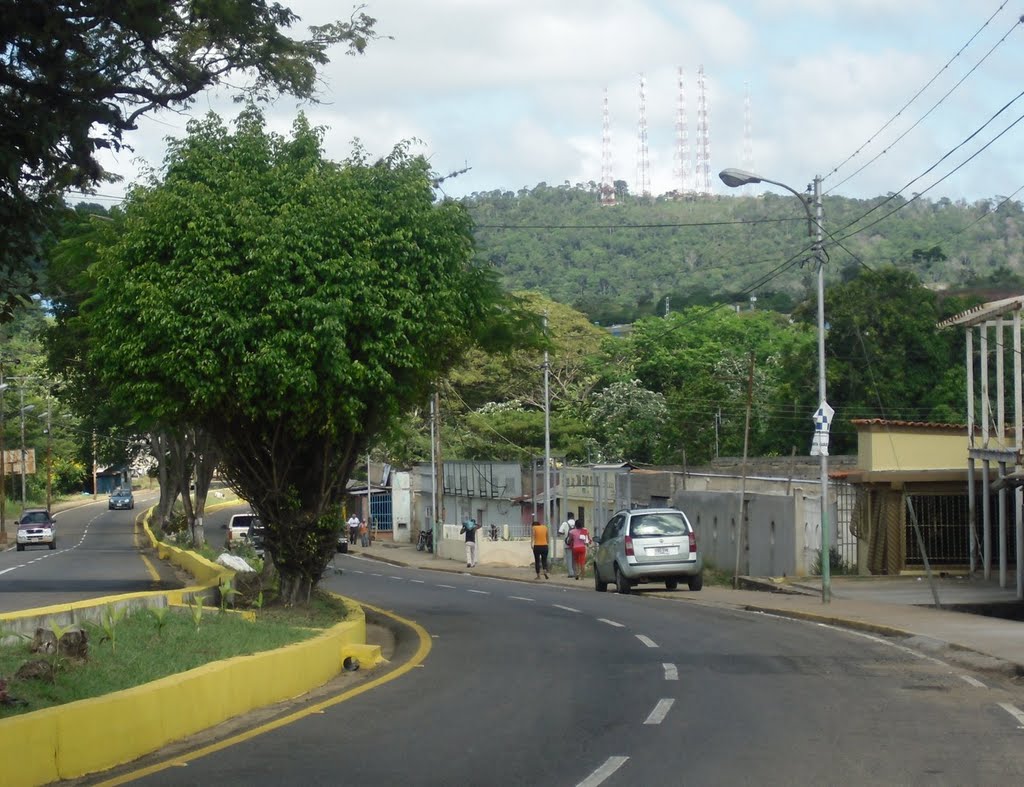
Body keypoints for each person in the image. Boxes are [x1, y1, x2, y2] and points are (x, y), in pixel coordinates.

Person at [558, 513, 577, 578]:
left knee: (569, 558)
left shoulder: (565, 523)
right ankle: (575, 572)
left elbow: (560, 531)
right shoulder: (576, 523)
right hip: (575, 544)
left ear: (567, 517)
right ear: (573, 516)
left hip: (567, 543)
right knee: (574, 559)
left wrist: (565, 533)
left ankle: (570, 573)